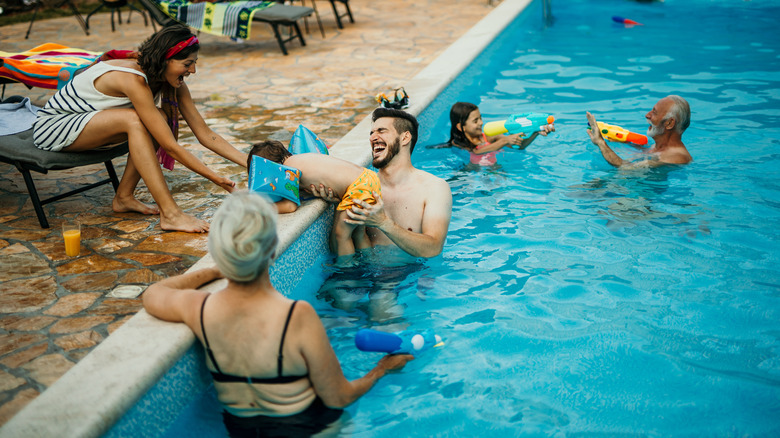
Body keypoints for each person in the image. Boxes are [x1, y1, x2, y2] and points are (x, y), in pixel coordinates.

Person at [142, 191, 413, 437]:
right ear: (272, 250)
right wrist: (381, 369)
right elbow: (338, 398)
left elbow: (153, 294)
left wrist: (214, 271)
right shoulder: (296, 316)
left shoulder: (200, 309)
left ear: (219, 252)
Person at [32, 25, 247, 233]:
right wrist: (216, 178)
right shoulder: (132, 78)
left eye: (194, 63)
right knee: (135, 120)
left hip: (89, 125)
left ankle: (124, 197)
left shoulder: (171, 82)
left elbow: (205, 133)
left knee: (158, 118)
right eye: (187, 63)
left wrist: (251, 162)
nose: (193, 70)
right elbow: (169, 147)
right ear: (165, 60)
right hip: (54, 127)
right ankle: (171, 214)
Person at [313, 108, 452, 258]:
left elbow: (433, 249)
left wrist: (383, 223)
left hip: (414, 275)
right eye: (371, 133)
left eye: (381, 131)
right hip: (367, 274)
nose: (373, 137)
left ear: (405, 138)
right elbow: (337, 249)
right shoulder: (362, 186)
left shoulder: (434, 188)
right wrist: (339, 206)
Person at [248, 140, 380, 257]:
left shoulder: (287, 170)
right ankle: (371, 261)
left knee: (341, 235)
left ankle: (348, 274)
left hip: (357, 189)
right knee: (358, 233)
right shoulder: (301, 159)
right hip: (367, 177)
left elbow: (290, 206)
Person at [586, 95, 693, 167]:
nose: (647, 115)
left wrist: (600, 142)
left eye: (654, 113)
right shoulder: (660, 147)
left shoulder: (675, 156)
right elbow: (649, 154)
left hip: (644, 196)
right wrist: (624, 140)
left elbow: (625, 168)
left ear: (669, 123)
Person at [448, 102, 554, 166]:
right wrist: (505, 140)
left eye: (480, 118)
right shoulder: (457, 143)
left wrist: (535, 131)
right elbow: (476, 151)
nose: (481, 123)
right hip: (470, 175)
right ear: (460, 127)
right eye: (475, 121)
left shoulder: (488, 136)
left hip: (496, 171)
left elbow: (520, 146)